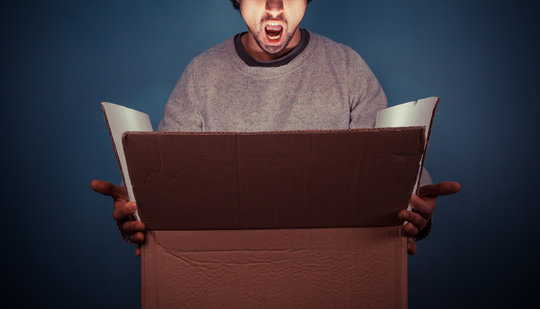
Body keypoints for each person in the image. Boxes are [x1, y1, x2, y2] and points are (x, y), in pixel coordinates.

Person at [91, 0, 460, 256]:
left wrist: (418, 219)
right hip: (227, 284)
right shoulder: (201, 77)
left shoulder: (348, 70)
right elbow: (166, 201)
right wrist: (138, 216)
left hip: (329, 282)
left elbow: (399, 195)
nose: (274, 7)